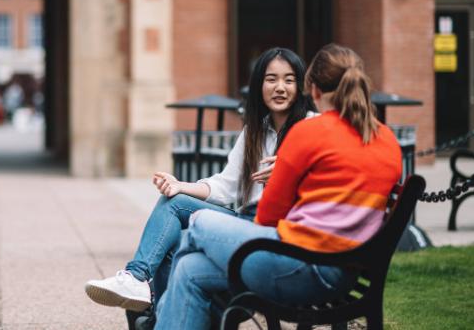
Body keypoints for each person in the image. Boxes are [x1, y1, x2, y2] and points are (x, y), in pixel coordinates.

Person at [152, 44, 403, 329]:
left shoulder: (307, 132)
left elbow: (267, 218)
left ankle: (154, 308)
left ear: (314, 91)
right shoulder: (388, 140)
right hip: (346, 274)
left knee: (197, 223)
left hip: (302, 266)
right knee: (189, 268)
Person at [84, 47, 316, 312]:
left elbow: (331, 175)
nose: (280, 87)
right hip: (243, 220)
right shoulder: (254, 131)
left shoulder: (312, 127)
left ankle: (148, 297)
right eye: (271, 79)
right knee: (174, 202)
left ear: (301, 86)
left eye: (289, 79)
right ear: (258, 85)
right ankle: (140, 284)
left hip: (277, 228)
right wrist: (181, 185)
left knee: (180, 241)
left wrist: (290, 171)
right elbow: (225, 186)